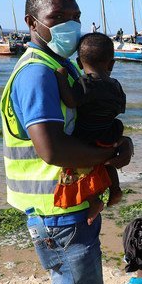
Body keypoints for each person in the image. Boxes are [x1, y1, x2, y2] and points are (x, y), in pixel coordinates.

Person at [0, 0, 133, 284]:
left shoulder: (60, 66)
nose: (69, 25)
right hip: (58, 215)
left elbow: (83, 127)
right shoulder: (38, 73)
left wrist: (114, 147)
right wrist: (110, 155)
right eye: (57, 18)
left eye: (74, 17)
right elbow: (53, 150)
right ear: (31, 22)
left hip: (68, 209)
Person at [53, 32, 125, 224]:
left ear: (78, 62)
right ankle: (115, 189)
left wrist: (61, 78)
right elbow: (121, 107)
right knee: (107, 160)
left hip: (87, 134)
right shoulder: (116, 85)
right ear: (111, 64)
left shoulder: (85, 83)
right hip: (110, 132)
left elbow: (70, 101)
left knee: (81, 167)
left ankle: (94, 200)